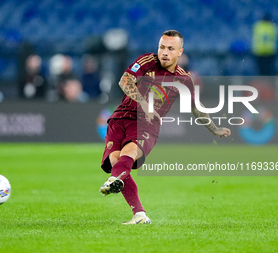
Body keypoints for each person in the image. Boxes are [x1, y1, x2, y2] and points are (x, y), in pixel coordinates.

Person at [99, 30, 231, 225]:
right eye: (162, 47)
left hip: (147, 123)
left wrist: (214, 129)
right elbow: (124, 81)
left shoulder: (183, 79)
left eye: (170, 48)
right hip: (121, 117)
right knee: (116, 161)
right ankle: (140, 215)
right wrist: (144, 103)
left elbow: (195, 108)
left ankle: (115, 181)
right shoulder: (146, 61)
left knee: (130, 152)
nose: (165, 52)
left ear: (180, 52)